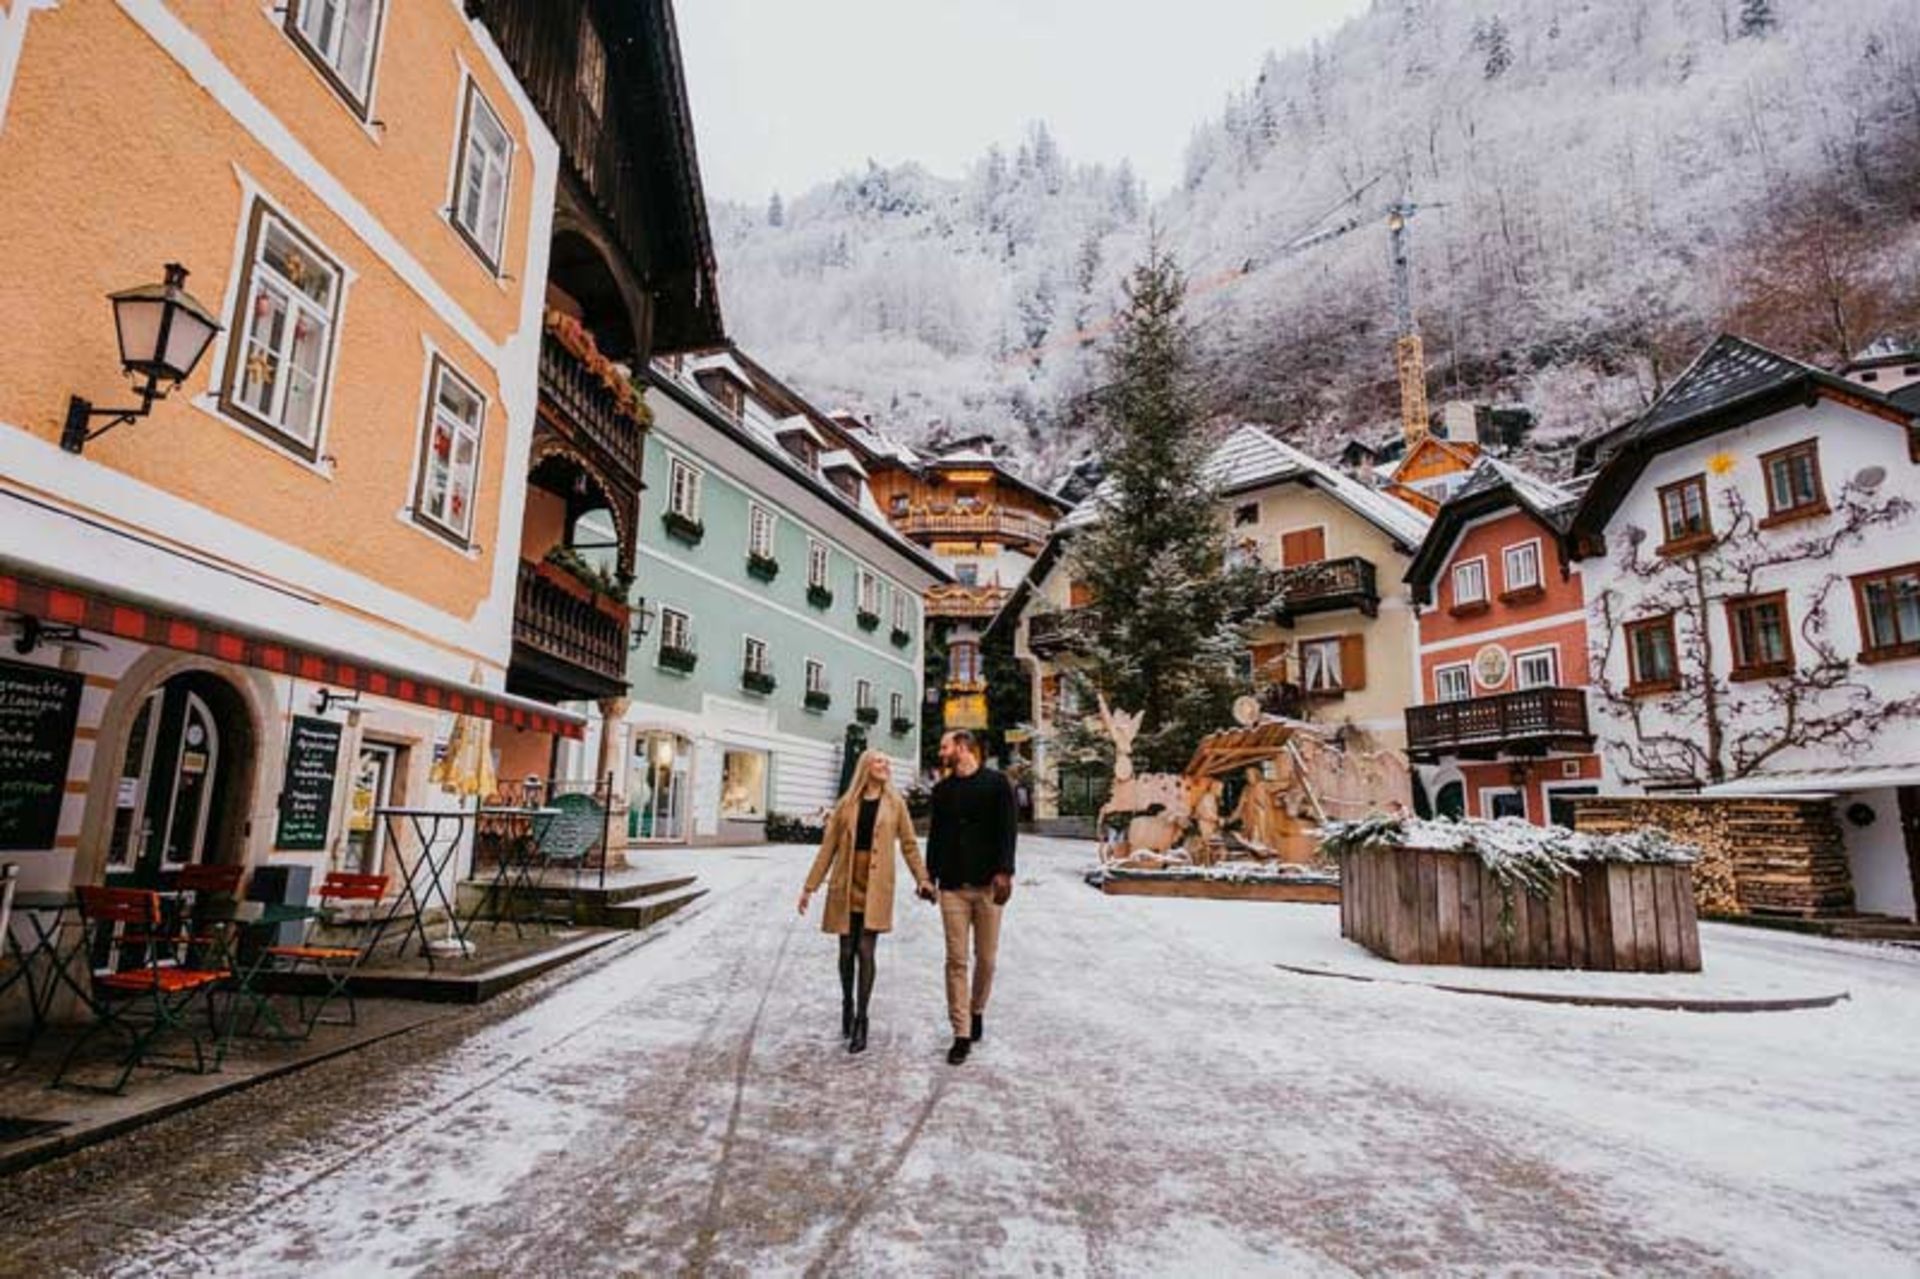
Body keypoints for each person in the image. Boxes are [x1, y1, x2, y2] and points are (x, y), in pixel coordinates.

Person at [797, 750, 932, 1054]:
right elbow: (828, 848)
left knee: (865, 949)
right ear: (866, 767)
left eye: (887, 762)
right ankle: (847, 1000)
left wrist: (922, 878)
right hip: (847, 884)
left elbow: (909, 845)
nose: (886, 766)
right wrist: (810, 887)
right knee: (846, 952)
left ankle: (862, 1018)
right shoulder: (846, 804)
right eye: (879, 761)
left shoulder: (896, 803)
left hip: (876, 888)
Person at [926, 728, 1017, 1066]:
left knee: (987, 959)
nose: (942, 751)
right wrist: (928, 877)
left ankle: (977, 1009)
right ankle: (961, 1032)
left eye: (945, 746)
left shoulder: (997, 785)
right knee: (956, 960)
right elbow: (935, 838)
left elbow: (1008, 831)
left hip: (989, 887)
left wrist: (1005, 871)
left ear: (963, 748)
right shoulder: (942, 791)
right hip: (952, 888)